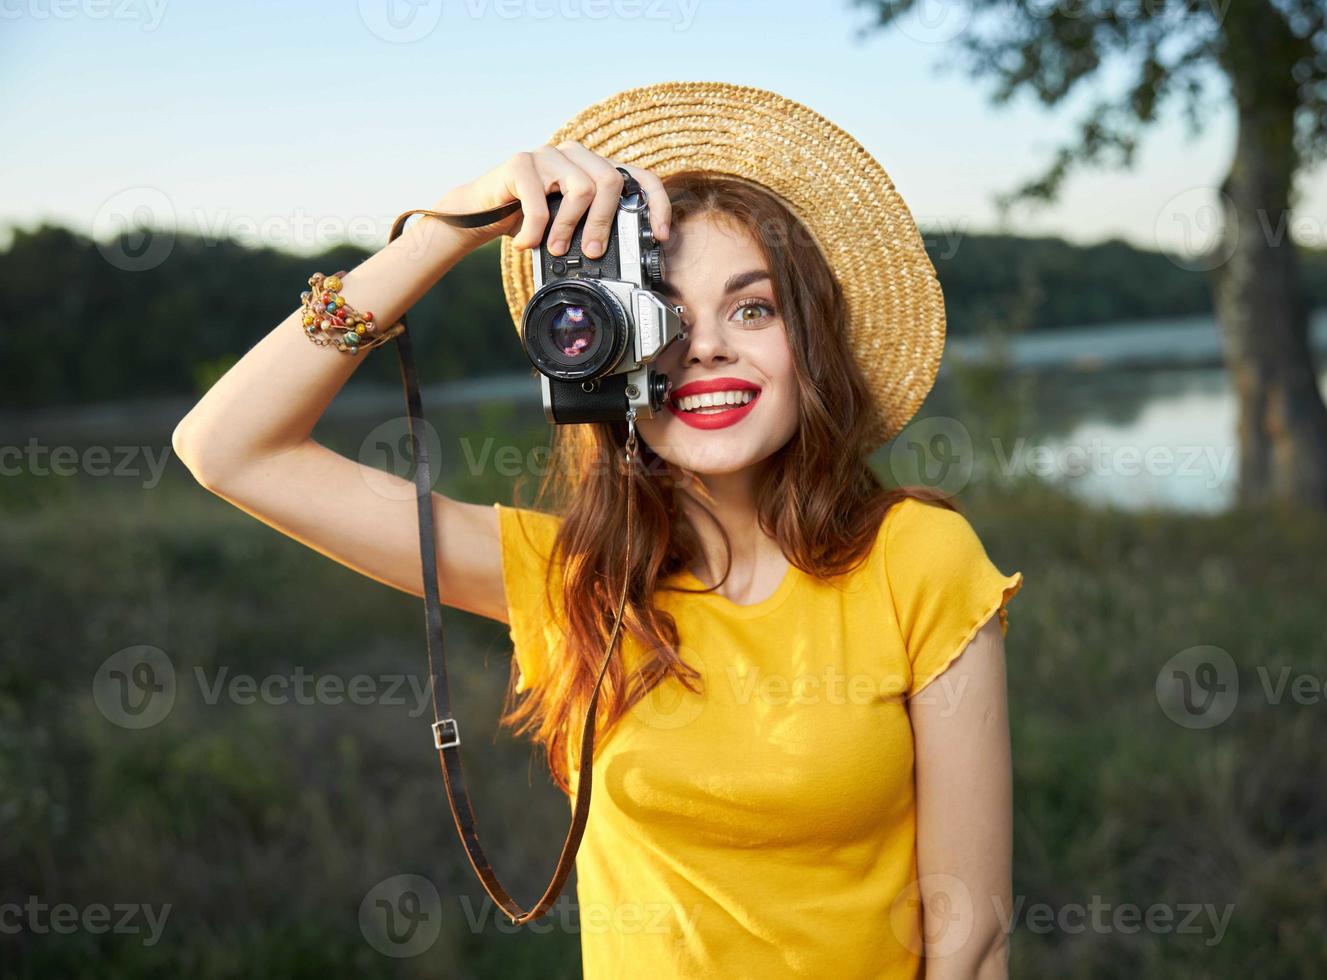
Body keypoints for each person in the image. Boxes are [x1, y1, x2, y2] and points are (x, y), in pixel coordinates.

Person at [172, 81, 1023, 980]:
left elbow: (968, 944)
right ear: (603, 356)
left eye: (753, 308)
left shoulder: (916, 560)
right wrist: (442, 232)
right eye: (662, 315)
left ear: (809, 346)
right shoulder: (563, 579)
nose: (704, 348)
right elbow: (229, 448)